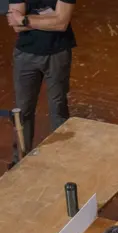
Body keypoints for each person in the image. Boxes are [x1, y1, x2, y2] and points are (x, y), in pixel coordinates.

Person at [7, 0, 76, 163]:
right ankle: (20, 160)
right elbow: (15, 25)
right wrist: (51, 18)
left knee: (58, 108)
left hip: (58, 53)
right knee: (23, 111)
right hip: (26, 55)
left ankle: (61, 158)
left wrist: (25, 19)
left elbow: (61, 23)